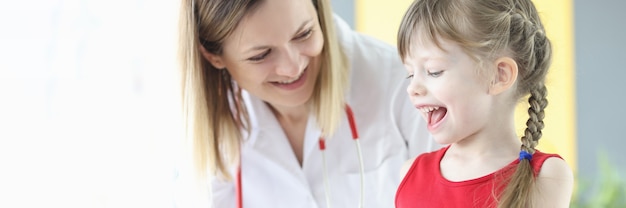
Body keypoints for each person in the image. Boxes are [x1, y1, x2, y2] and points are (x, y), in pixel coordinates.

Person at [178, 0, 437, 207]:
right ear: (213, 56)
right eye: (261, 55)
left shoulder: (401, 84)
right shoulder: (209, 136)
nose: (292, 68)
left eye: (304, 33)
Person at [394, 0, 574, 207]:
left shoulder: (546, 176)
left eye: (434, 71)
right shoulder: (410, 173)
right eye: (410, 74)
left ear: (499, 75)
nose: (412, 88)